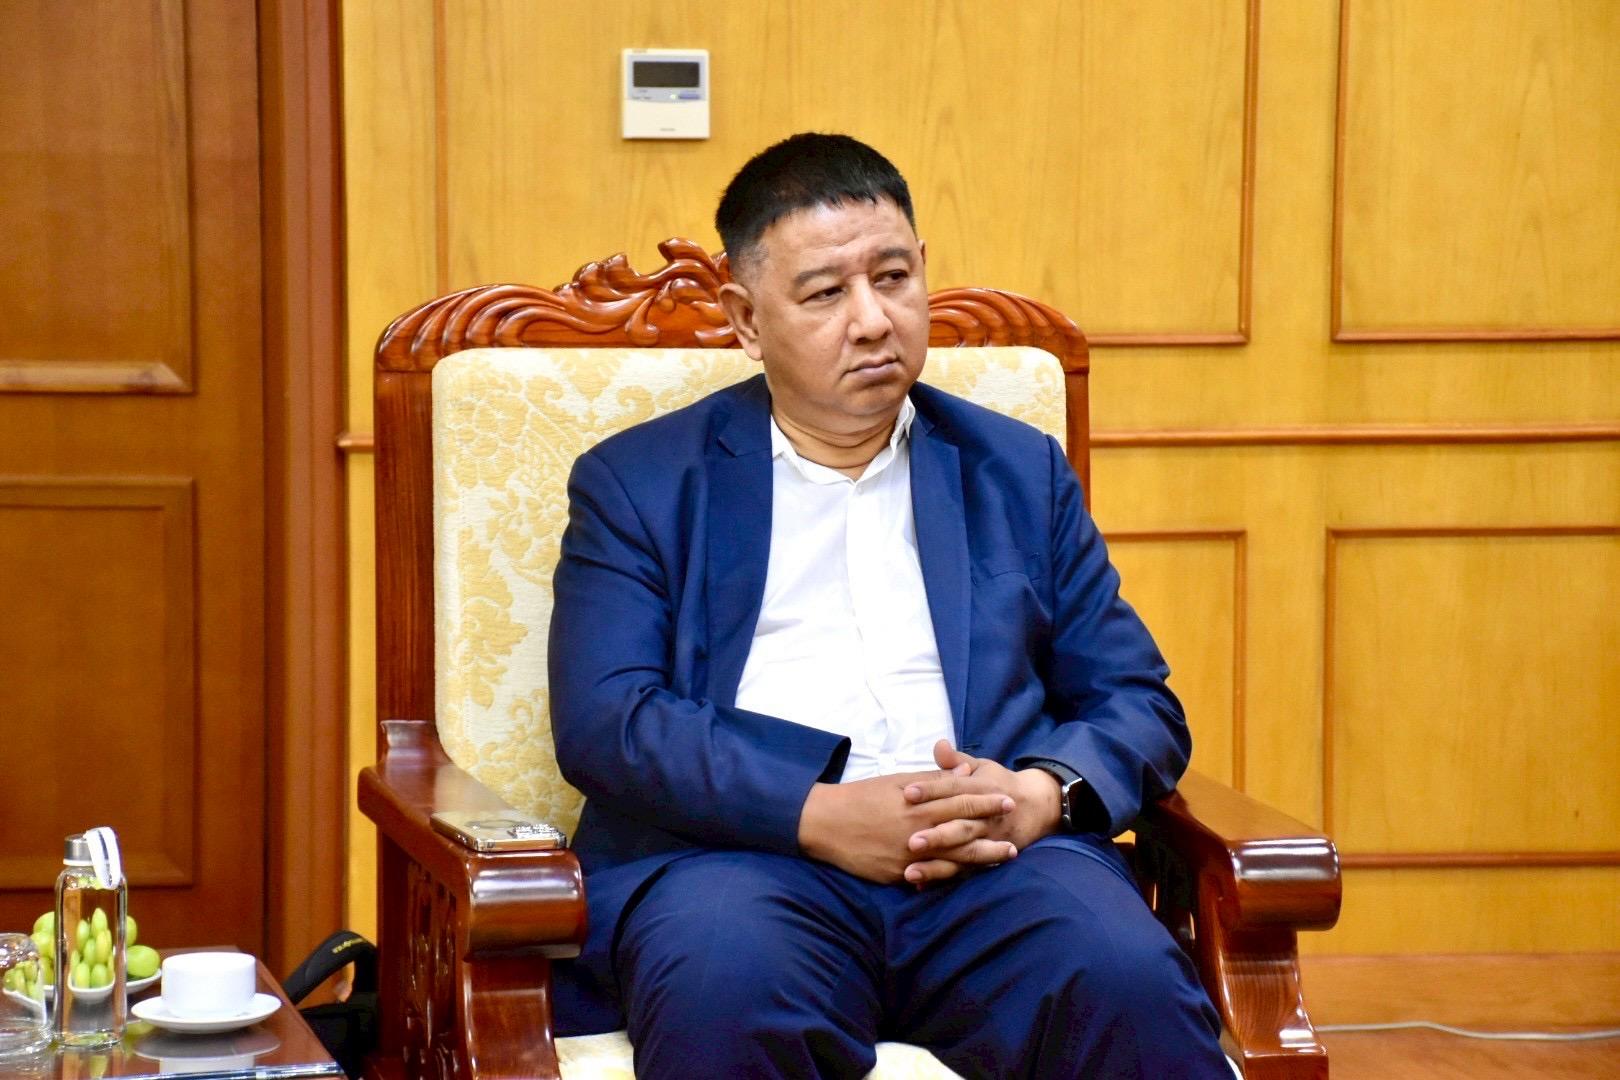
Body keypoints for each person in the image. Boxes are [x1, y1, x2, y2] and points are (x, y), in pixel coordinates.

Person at [548, 132, 1230, 1079]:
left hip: (995, 865)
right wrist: (814, 813)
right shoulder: (643, 483)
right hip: (741, 864)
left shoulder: (1017, 471)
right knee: (724, 989)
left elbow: (1136, 700)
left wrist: (1039, 795)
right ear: (746, 319)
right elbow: (609, 719)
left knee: (1126, 978)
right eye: (825, 294)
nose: (873, 320)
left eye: (894, 278)